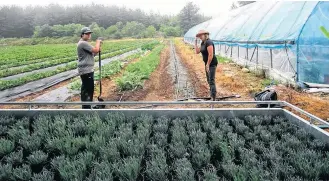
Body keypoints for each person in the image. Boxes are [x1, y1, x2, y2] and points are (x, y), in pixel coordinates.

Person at [77, 27, 102, 109]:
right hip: (86, 71)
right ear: (82, 35)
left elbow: (93, 54)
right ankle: (86, 108)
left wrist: (97, 49)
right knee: (88, 89)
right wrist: (98, 43)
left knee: (87, 89)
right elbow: (95, 50)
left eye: (89, 33)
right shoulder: (83, 43)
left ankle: (86, 106)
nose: (89, 35)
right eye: (87, 34)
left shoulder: (84, 43)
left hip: (87, 70)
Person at [194, 30, 218, 101]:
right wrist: (195, 43)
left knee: (211, 80)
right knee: (208, 80)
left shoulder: (209, 42)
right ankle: (212, 94)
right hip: (207, 63)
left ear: (205, 35)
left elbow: (211, 54)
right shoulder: (203, 43)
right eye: (199, 36)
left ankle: (213, 97)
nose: (200, 37)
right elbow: (197, 52)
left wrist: (208, 64)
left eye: (201, 36)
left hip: (211, 63)